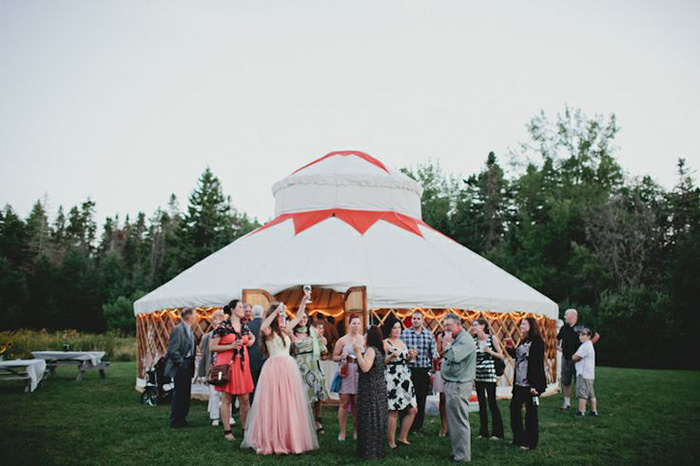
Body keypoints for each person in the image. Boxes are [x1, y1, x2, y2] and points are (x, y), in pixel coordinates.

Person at [242, 300, 319, 455]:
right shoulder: (269, 330)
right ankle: (272, 439)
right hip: (274, 368)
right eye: (281, 313)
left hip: (288, 367)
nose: (283, 315)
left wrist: (303, 301)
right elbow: (263, 326)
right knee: (273, 403)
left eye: (283, 312)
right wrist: (275, 311)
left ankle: (290, 438)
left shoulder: (284, 330)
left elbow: (297, 318)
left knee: (288, 402)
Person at [209, 299, 256, 441]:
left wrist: (249, 343)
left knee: (245, 399)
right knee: (227, 399)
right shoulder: (223, 326)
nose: (244, 309)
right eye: (241, 307)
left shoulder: (244, 326)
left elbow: (251, 337)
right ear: (233, 310)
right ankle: (227, 430)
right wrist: (230, 347)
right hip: (229, 366)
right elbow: (212, 347)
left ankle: (245, 428)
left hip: (242, 365)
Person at [505, 317, 546, 451]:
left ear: (531, 326)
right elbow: (519, 357)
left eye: (524, 323)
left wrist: (536, 385)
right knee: (514, 408)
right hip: (519, 382)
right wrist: (510, 349)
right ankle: (518, 438)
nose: (520, 325)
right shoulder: (524, 340)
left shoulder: (537, 342)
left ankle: (530, 442)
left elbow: (537, 364)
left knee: (530, 413)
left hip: (530, 383)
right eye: (521, 323)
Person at [441, 313, 476, 463]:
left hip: (459, 385)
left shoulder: (465, 341)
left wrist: (446, 345)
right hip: (454, 383)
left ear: (458, 324)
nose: (445, 328)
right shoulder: (458, 338)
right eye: (444, 325)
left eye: (448, 325)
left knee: (459, 421)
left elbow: (454, 357)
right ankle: (458, 453)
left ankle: (462, 456)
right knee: (454, 421)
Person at [292, 294, 329, 434]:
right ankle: (303, 421)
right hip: (299, 367)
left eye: (305, 318)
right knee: (301, 395)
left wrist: (323, 344)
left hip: (313, 365)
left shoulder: (312, 332)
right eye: (301, 317)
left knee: (317, 394)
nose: (303, 320)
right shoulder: (291, 333)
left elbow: (322, 346)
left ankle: (317, 420)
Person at [382, 318, 417, 449]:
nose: (397, 330)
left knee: (413, 409)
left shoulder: (402, 342)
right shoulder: (385, 343)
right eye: (394, 328)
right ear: (389, 329)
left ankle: (403, 437)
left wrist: (410, 356)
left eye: (399, 327)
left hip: (405, 377)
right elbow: (381, 362)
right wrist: (391, 357)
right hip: (392, 377)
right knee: (393, 411)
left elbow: (406, 360)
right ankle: (391, 442)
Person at [354, 325, 388, 460]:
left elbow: (365, 367)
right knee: (377, 419)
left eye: (365, 335)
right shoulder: (380, 350)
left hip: (370, 389)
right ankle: (377, 450)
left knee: (369, 418)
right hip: (379, 387)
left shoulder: (371, 351)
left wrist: (357, 352)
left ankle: (369, 452)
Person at [400, 310, 437, 432]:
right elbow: (399, 352)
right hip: (408, 370)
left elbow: (433, 355)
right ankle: (405, 424)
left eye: (418, 318)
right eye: (413, 318)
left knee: (421, 398)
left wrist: (431, 372)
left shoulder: (429, 335)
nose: (415, 320)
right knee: (406, 397)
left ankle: (417, 426)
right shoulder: (404, 334)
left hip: (423, 370)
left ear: (422, 320)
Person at [557, 308, 600, 409]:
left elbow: (596, 336)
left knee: (581, 382)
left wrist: (587, 347)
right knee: (565, 381)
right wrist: (558, 347)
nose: (564, 317)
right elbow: (557, 338)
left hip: (579, 360)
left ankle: (587, 404)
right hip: (567, 358)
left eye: (566, 315)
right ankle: (567, 403)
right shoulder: (564, 328)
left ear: (572, 316)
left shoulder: (582, 327)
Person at [471, 317, 504, 440]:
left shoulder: (492, 338)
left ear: (483, 326)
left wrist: (489, 351)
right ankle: (483, 431)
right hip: (479, 376)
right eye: (473, 325)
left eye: (476, 325)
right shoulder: (473, 341)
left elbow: (501, 356)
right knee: (481, 405)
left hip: (490, 376)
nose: (473, 327)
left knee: (492, 403)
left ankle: (497, 432)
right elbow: (473, 360)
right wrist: (472, 377)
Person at [332, 314, 364, 441]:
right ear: (349, 324)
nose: (356, 326)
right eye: (353, 323)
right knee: (344, 402)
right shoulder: (342, 340)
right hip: (346, 371)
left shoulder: (363, 339)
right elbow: (334, 356)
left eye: (358, 323)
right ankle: (342, 431)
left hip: (358, 371)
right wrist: (342, 356)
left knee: (357, 404)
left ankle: (356, 431)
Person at [164, 308, 197, 428]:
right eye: (195, 315)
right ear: (189, 317)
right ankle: (176, 420)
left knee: (185, 393)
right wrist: (182, 363)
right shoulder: (178, 329)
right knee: (179, 393)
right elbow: (172, 350)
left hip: (188, 364)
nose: (197, 317)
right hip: (181, 366)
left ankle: (182, 418)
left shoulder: (189, 329)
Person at [197, 310, 229, 426]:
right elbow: (204, 355)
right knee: (214, 393)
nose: (217, 322)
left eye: (220, 319)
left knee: (225, 393)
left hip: (225, 368)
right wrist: (201, 373)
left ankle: (228, 416)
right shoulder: (207, 337)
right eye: (215, 320)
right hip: (212, 369)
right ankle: (215, 417)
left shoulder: (228, 336)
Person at [572, 326, 598, 417]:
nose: (581, 337)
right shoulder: (589, 344)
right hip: (589, 374)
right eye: (580, 334)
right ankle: (593, 411)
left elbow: (575, 357)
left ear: (589, 336)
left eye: (583, 335)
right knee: (591, 393)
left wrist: (574, 357)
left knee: (582, 393)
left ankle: (581, 411)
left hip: (583, 374)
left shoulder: (585, 346)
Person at [246, 305, 265, 403]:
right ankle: (263, 403)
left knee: (253, 383)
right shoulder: (266, 324)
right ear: (262, 313)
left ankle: (253, 404)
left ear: (252, 314)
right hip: (265, 357)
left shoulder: (248, 325)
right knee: (264, 384)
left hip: (251, 357)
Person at [434, 330, 448, 437]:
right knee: (443, 398)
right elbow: (438, 353)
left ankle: (453, 425)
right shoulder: (441, 336)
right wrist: (447, 349)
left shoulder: (461, 335)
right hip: (443, 368)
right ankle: (443, 425)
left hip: (455, 369)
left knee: (453, 399)